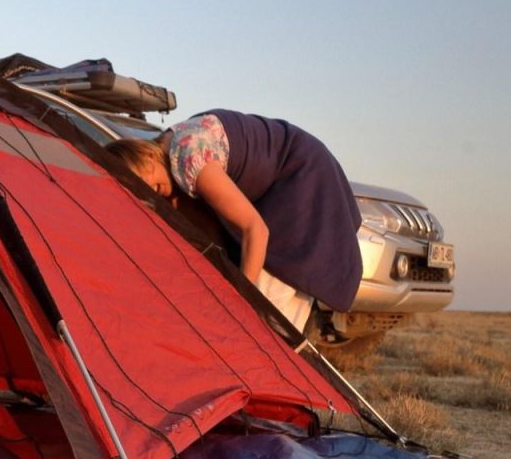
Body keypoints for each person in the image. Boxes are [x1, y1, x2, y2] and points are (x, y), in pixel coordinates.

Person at [107, 110, 362, 331]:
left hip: (303, 179)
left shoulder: (188, 158)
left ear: (146, 156)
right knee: (277, 316)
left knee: (266, 316)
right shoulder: (174, 143)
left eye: (144, 181)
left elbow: (255, 230)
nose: (148, 192)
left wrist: (240, 303)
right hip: (301, 169)